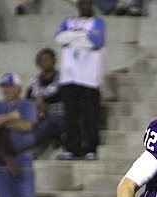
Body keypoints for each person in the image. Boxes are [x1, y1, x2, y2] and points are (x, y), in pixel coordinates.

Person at [54, 0, 105, 161]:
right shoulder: (68, 21)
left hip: (89, 77)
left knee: (90, 116)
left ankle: (90, 149)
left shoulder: (97, 22)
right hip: (69, 77)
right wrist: (83, 36)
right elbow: (59, 38)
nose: (85, 6)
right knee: (70, 115)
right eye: (82, 3)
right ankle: (71, 148)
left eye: (88, 3)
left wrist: (72, 37)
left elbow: (96, 42)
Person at [24, 47, 65, 153]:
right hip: (39, 116)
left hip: (59, 117)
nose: (45, 62)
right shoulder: (33, 84)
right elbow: (27, 102)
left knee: (50, 122)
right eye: (42, 59)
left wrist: (46, 102)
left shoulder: (64, 80)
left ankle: (26, 145)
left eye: (48, 59)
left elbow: (63, 97)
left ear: (54, 61)